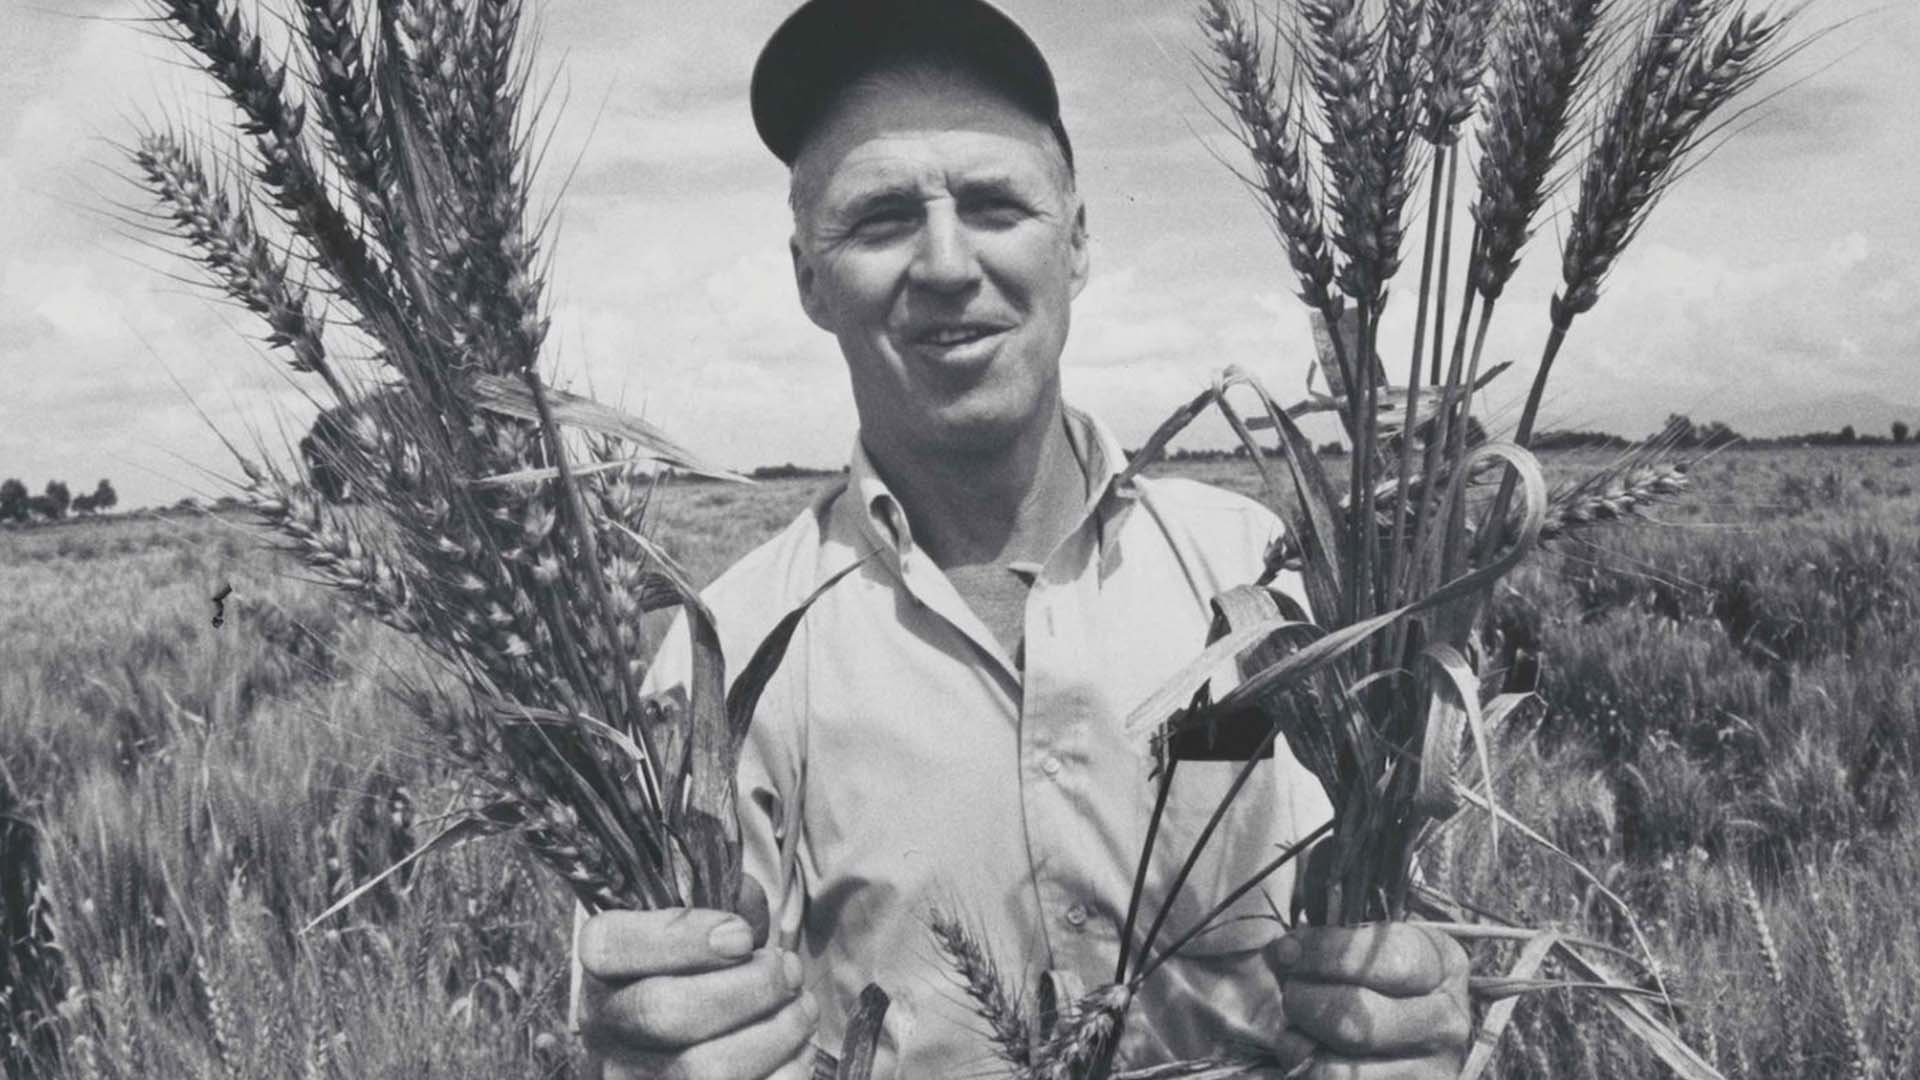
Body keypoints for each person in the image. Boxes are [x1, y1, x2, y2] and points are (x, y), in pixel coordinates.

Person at [573, 1, 1471, 1076]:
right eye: (881, 219)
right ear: (809, 278)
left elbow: (1398, 916)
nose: (947, 263)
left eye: (996, 205)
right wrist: (650, 1043)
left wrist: (1419, 1005)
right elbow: (671, 1029)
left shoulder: (1267, 577)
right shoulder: (725, 662)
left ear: (1080, 241)